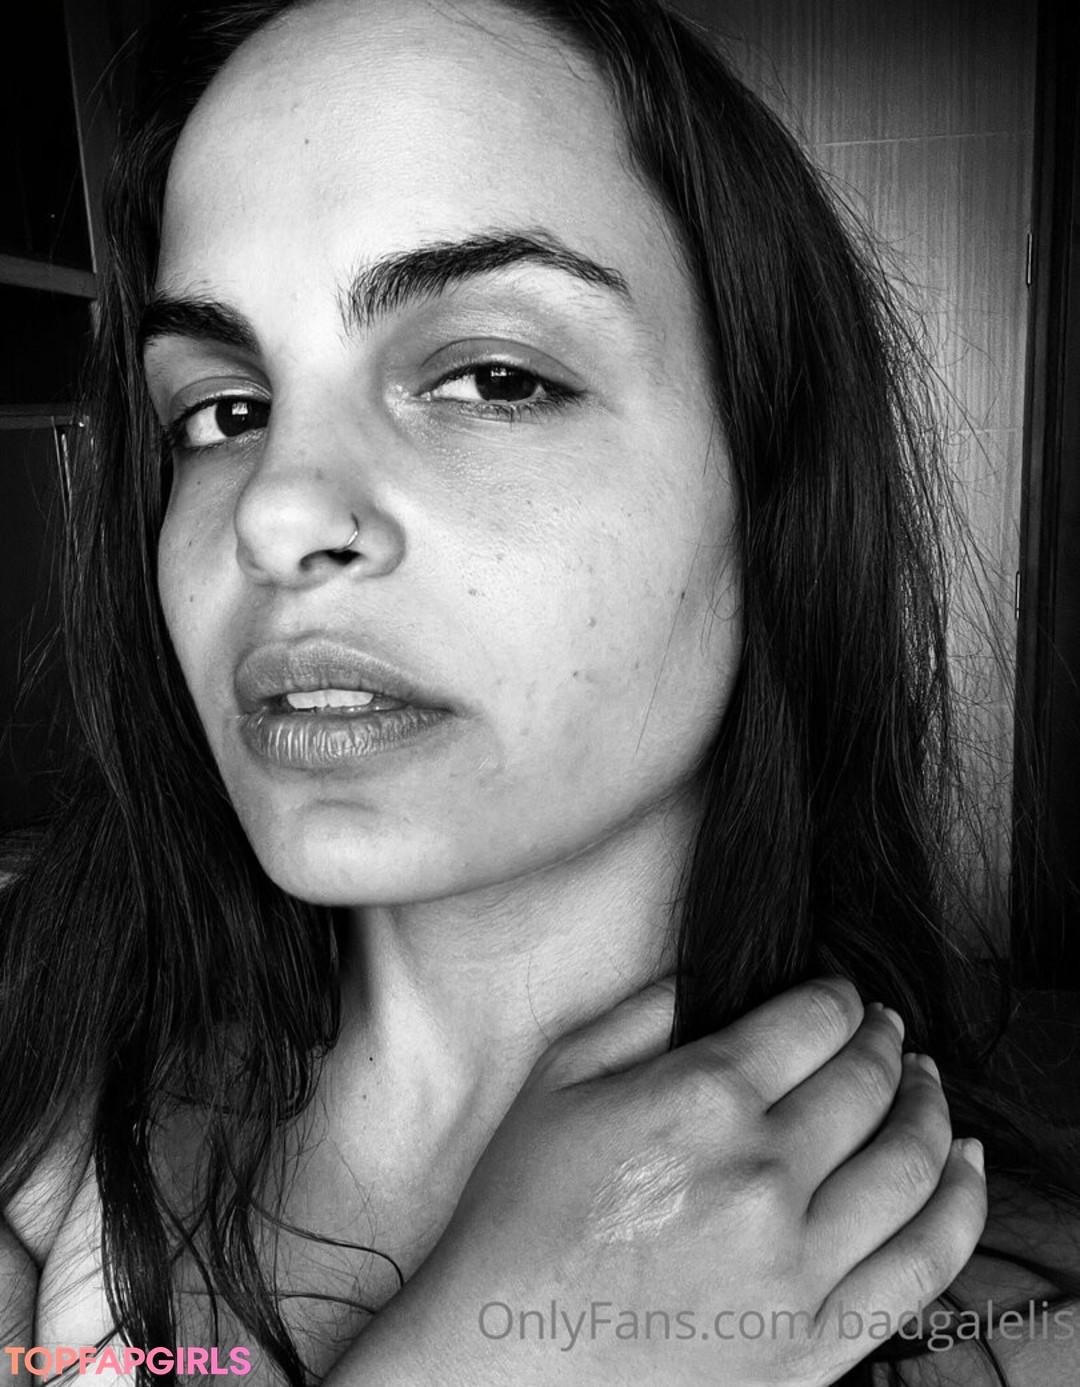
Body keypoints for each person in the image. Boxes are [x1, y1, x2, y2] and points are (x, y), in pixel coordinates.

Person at [1, 0, 1077, 1384]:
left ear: (770, 485)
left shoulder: (1017, 1331)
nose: (273, 513)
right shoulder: (46, 1140)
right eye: (226, 411)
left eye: (493, 378)